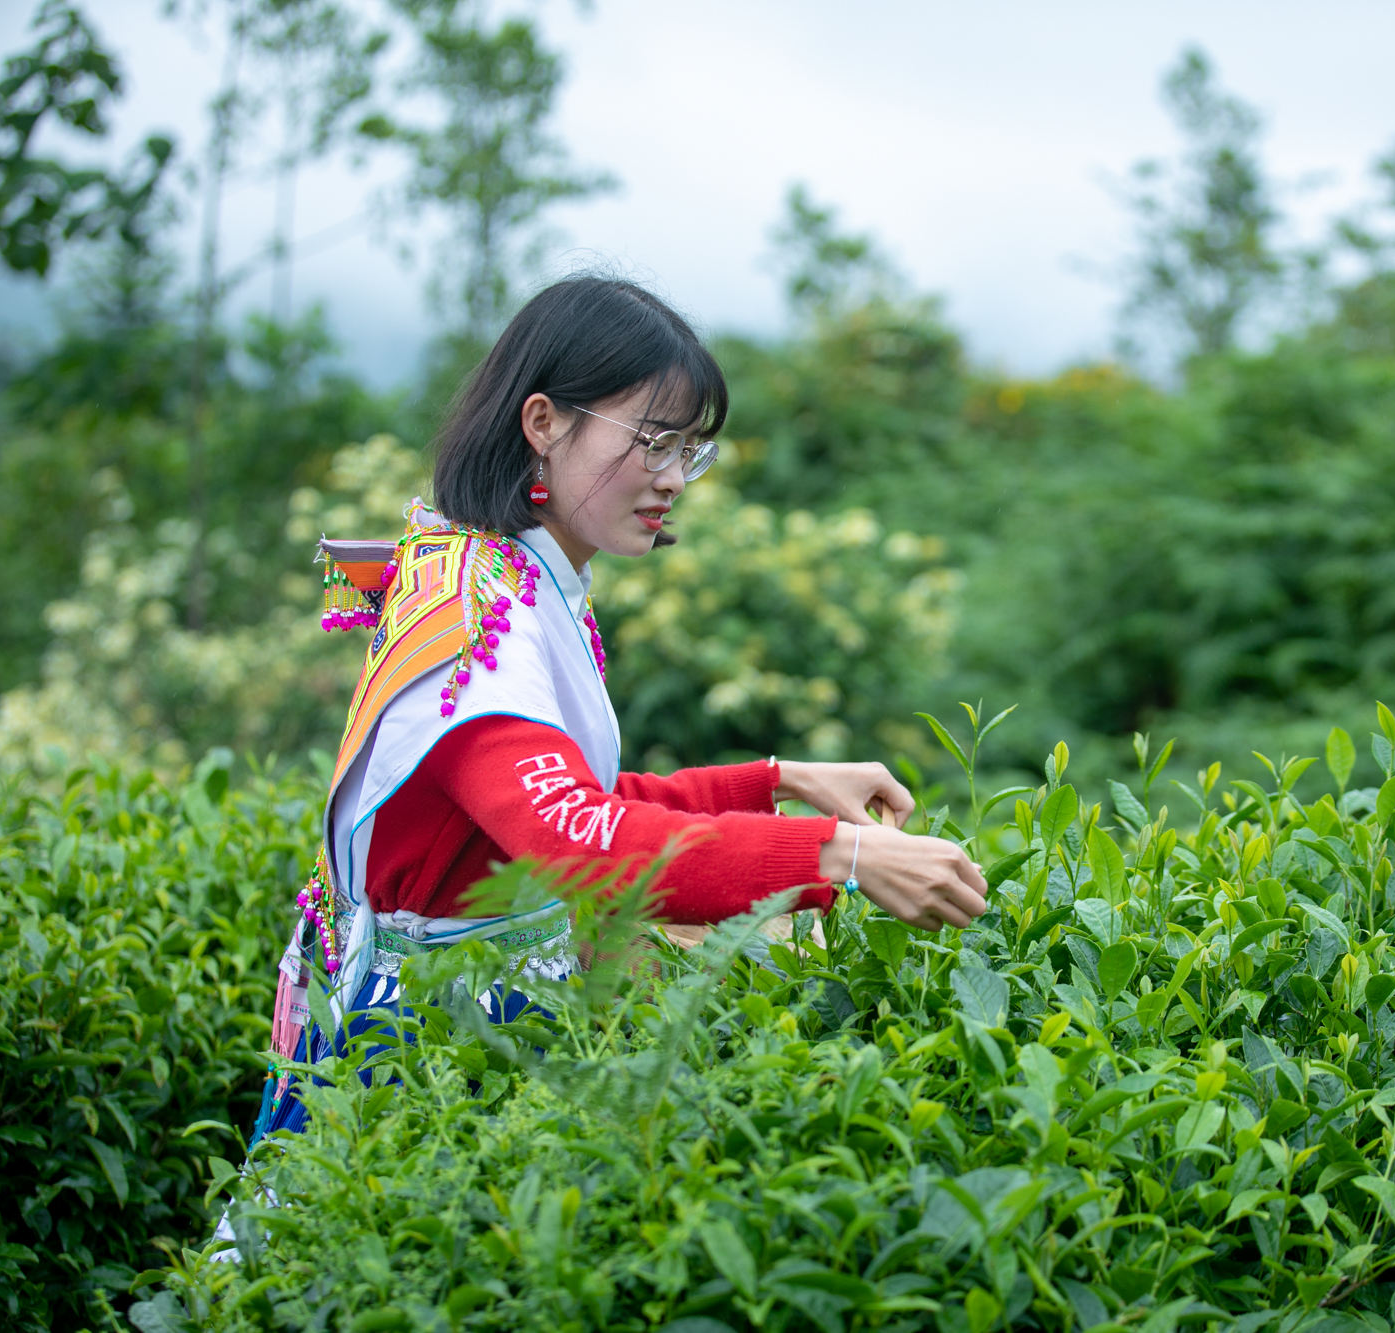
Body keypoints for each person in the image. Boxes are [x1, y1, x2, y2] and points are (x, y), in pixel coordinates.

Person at [253, 277, 989, 1142]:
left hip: (472, 1026)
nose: (675, 477)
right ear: (543, 423)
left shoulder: (519, 579)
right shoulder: (473, 606)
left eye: (690, 451)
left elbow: (565, 798)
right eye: (654, 442)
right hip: (427, 1055)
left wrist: (778, 781)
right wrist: (840, 854)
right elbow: (567, 833)